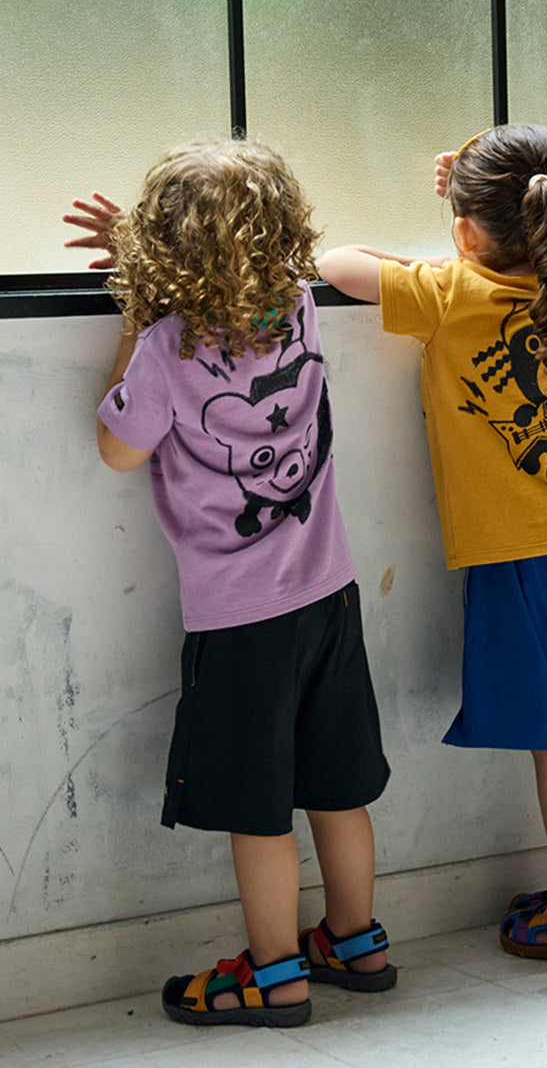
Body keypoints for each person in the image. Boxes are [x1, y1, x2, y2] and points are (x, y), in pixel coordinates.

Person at [316, 124, 547, 969]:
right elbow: (523, 218)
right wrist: (471, 206)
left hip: (515, 557)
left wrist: (451, 229)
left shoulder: (444, 293)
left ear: (465, 230)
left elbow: (336, 263)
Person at [66, 140, 394, 1027]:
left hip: (242, 620)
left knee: (260, 808)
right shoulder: (297, 306)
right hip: (330, 594)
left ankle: (276, 976)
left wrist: (136, 314)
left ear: (165, 258)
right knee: (336, 786)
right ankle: (355, 941)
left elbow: (117, 447)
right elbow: (234, 265)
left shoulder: (166, 345)